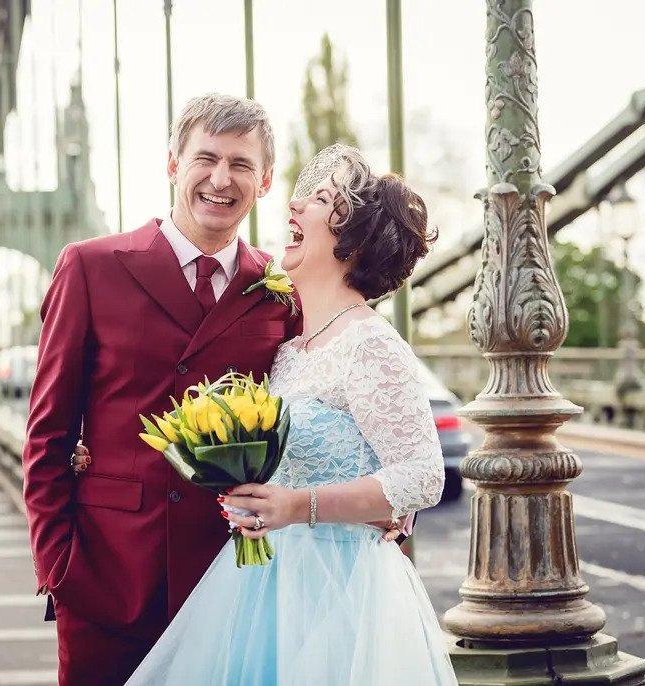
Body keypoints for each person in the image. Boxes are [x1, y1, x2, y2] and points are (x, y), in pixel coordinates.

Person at [78, 144, 457, 684]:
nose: (294, 209)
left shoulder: (371, 344)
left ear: (353, 241)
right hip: (264, 581)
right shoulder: (290, 349)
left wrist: (299, 506)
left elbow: (423, 474)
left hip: (342, 590)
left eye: (320, 201)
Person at [23, 94, 307, 686]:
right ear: (173, 162)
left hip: (232, 572)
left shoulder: (281, 290)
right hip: (107, 573)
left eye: (241, 164)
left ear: (267, 181)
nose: (220, 179)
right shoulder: (90, 267)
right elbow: (47, 434)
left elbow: (314, 411)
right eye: (205, 158)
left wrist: (389, 505)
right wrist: (58, 567)